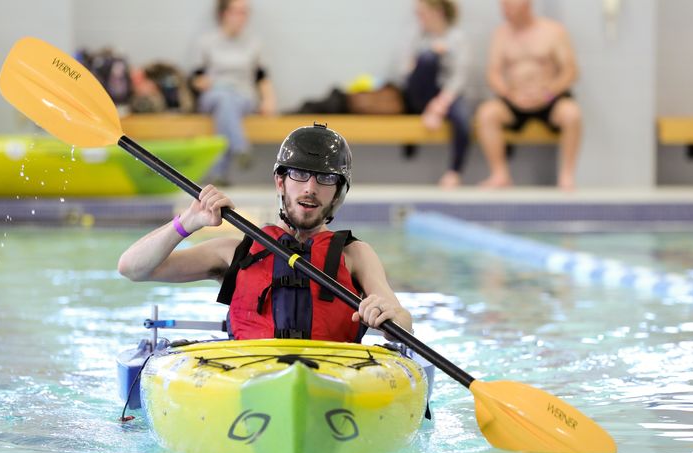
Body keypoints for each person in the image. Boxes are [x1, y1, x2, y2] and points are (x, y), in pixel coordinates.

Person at [117, 124, 413, 342]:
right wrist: (187, 221)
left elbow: (404, 323)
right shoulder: (235, 252)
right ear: (281, 182)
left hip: (335, 379)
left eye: (325, 178)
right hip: (249, 376)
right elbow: (132, 268)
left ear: (337, 192)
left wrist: (387, 315)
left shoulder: (356, 255)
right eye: (299, 174)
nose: (310, 187)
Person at [476, 0, 581, 190]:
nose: (505, 11)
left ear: (526, 5)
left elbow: (571, 71)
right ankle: (500, 175)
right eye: (503, 7)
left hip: (549, 99)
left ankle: (566, 176)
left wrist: (547, 93)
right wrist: (509, 94)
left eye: (509, 6)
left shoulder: (553, 31)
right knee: (486, 113)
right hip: (514, 99)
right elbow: (493, 74)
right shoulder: (500, 34)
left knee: (571, 113)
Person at [191, 0, 277, 185]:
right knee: (223, 99)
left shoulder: (254, 43)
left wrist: (268, 100)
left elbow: (262, 77)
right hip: (214, 94)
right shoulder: (207, 42)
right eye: (236, 12)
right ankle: (240, 147)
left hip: (243, 96)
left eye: (244, 12)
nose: (241, 17)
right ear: (223, 13)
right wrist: (205, 83)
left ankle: (219, 174)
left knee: (227, 104)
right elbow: (196, 78)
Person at [400, 0, 472, 189]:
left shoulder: (457, 38)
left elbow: (459, 77)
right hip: (420, 94)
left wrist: (439, 105)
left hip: (445, 95)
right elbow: (405, 73)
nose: (418, 18)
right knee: (428, 57)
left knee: (463, 119)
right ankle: (427, 112)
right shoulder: (417, 36)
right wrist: (428, 57)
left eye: (422, 13)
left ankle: (454, 172)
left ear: (438, 12)